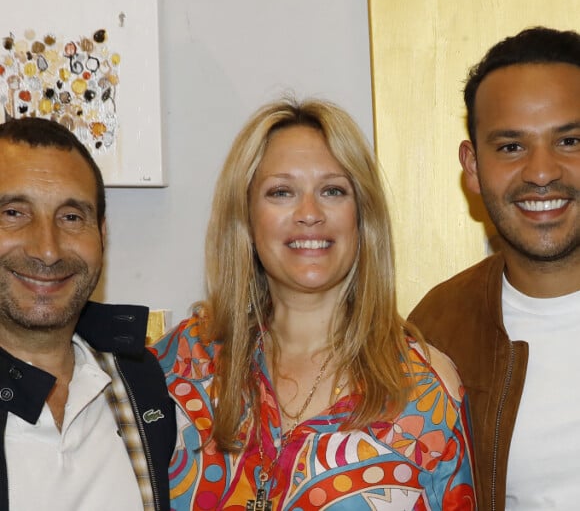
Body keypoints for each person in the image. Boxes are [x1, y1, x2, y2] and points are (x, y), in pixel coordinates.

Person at [154, 98, 476, 510]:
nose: (309, 213)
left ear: (362, 217)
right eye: (281, 192)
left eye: (332, 190)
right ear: (246, 219)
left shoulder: (424, 390)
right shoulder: (178, 367)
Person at [408, 26, 580, 510]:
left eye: (569, 140)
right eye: (510, 147)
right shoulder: (435, 333)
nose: (542, 172)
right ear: (472, 166)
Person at [0, 117, 176, 510]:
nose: (48, 249)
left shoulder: (140, 381)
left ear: (102, 234)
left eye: (71, 217)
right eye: (13, 212)